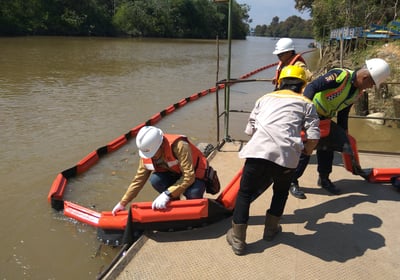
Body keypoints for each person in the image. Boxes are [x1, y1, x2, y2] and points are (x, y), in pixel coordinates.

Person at [226, 65, 320, 255]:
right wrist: (307, 152)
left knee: (244, 194)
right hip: (286, 158)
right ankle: (270, 230)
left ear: (280, 82)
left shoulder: (264, 99)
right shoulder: (307, 103)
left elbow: (250, 129)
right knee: (280, 192)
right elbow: (314, 136)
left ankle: (238, 240)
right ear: (302, 85)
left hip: (257, 154)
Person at [290, 58, 391, 199]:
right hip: (310, 115)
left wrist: (345, 132)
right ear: (365, 77)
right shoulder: (339, 76)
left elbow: (343, 113)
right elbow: (312, 87)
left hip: (325, 119)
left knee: (328, 148)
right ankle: (292, 181)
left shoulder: (356, 92)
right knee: (306, 151)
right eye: (371, 84)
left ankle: (324, 179)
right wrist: (303, 113)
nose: (370, 87)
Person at [112, 126, 208, 214]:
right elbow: (138, 180)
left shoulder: (180, 146)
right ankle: (175, 205)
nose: (152, 157)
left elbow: (189, 176)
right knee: (155, 180)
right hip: (175, 174)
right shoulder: (147, 152)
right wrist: (123, 203)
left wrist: (167, 194)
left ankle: (195, 212)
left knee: (193, 192)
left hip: (194, 175)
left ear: (161, 145)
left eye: (153, 154)